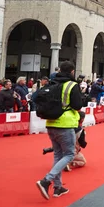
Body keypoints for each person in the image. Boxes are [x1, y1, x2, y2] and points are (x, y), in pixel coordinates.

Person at [36, 61, 83, 199]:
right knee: (69, 154)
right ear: (72, 71)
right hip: (65, 123)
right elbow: (77, 105)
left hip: (51, 122)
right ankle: (46, 180)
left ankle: (58, 187)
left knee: (57, 155)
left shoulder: (52, 83)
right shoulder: (72, 85)